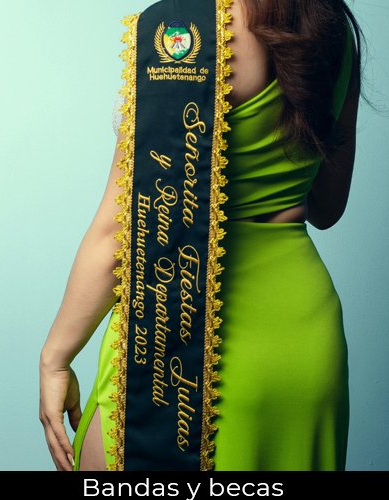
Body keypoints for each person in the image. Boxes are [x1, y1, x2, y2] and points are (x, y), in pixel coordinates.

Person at [39, 0, 363, 471]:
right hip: (307, 342)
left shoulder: (186, 31)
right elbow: (327, 207)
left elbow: (122, 228)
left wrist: (55, 357)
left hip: (189, 343)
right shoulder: (331, 29)